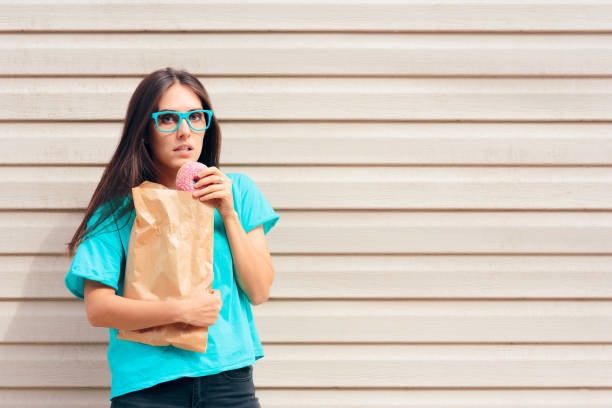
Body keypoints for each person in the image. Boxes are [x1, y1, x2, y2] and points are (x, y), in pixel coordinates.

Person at [64, 67, 279, 407]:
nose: (184, 131)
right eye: (168, 119)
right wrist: (182, 311)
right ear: (145, 129)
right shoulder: (119, 210)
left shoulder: (239, 191)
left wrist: (229, 213)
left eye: (196, 117)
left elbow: (259, 290)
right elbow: (98, 308)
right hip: (147, 388)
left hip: (228, 380)